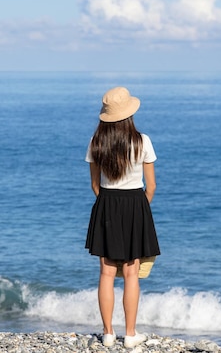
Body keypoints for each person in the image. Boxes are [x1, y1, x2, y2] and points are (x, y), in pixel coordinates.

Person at [85, 86, 160, 348]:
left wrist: (108, 205)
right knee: (131, 273)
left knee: (106, 273)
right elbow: (150, 187)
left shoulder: (97, 142)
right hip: (134, 204)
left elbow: (95, 185)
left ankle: (107, 333)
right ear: (129, 114)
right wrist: (139, 210)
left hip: (106, 202)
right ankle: (130, 334)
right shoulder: (142, 141)